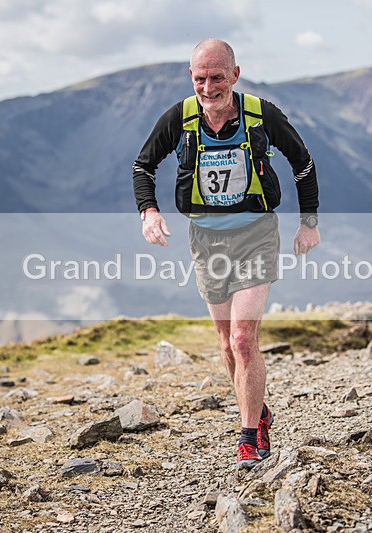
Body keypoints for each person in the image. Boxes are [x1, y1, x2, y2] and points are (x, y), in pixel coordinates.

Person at [132, 38, 320, 468]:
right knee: (225, 345)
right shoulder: (178, 119)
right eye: (200, 78)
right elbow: (143, 166)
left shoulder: (261, 115)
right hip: (205, 239)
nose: (209, 87)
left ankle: (248, 436)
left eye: (217, 77)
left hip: (256, 235)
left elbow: (303, 162)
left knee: (243, 338)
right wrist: (148, 212)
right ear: (191, 78)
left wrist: (309, 224)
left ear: (235, 75)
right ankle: (258, 411)